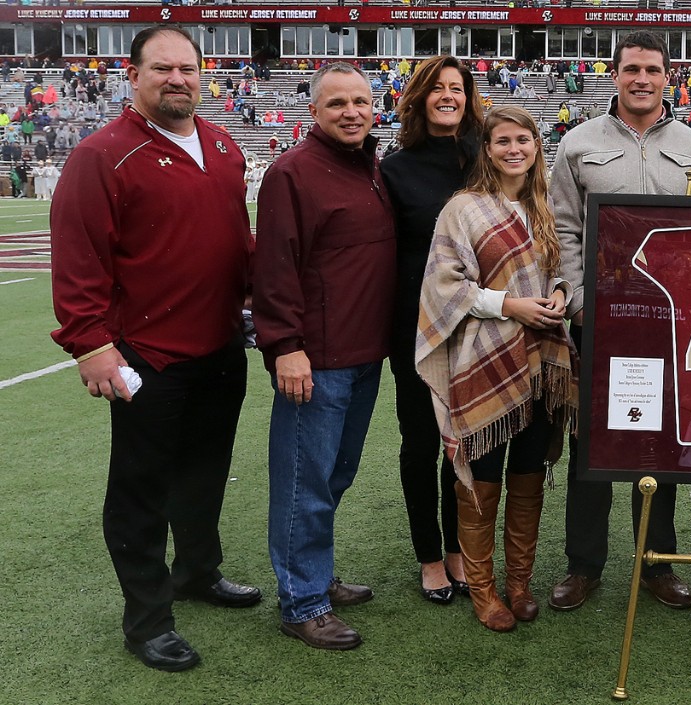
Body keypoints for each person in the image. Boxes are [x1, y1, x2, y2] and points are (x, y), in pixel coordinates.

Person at [49, 26, 259, 673]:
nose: (177, 79)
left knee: (204, 473)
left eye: (188, 68)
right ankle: (147, 619)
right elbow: (79, 256)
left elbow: (234, 241)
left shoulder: (222, 144)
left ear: (204, 74)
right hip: (148, 356)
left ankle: (198, 570)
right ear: (132, 75)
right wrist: (90, 344)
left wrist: (255, 303)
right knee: (140, 493)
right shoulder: (100, 154)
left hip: (221, 347)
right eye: (162, 68)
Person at [547, 30, 691, 612]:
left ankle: (657, 562)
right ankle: (584, 563)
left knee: (662, 441)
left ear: (669, 76)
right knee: (591, 442)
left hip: (670, 322)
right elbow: (563, 230)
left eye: (651, 69)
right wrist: (578, 301)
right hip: (599, 316)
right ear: (614, 76)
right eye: (630, 69)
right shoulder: (577, 143)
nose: (641, 79)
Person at [417, 105, 577, 632]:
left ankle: (519, 583)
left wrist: (556, 293)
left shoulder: (546, 205)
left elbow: (562, 270)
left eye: (524, 140)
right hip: (484, 356)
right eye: (503, 141)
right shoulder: (463, 209)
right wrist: (511, 306)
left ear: (537, 145)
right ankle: (484, 590)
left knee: (529, 473)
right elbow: (445, 284)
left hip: (545, 359)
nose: (515, 149)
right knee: (481, 474)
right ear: (487, 149)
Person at [254, 62, 397, 651]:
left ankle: (313, 573)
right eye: (337, 103)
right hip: (316, 358)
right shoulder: (293, 172)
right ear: (313, 111)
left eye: (360, 101)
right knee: (303, 484)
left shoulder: (370, 167)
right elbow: (275, 267)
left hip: (364, 354)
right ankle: (302, 602)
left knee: (334, 475)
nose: (351, 112)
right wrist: (286, 347)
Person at [380, 55, 484, 605]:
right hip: (418, 331)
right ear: (419, 98)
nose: (449, 96)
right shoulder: (394, 170)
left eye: (458, 89)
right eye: (438, 89)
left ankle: (459, 551)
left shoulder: (484, 162)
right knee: (421, 443)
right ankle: (429, 557)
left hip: (481, 327)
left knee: (464, 445)